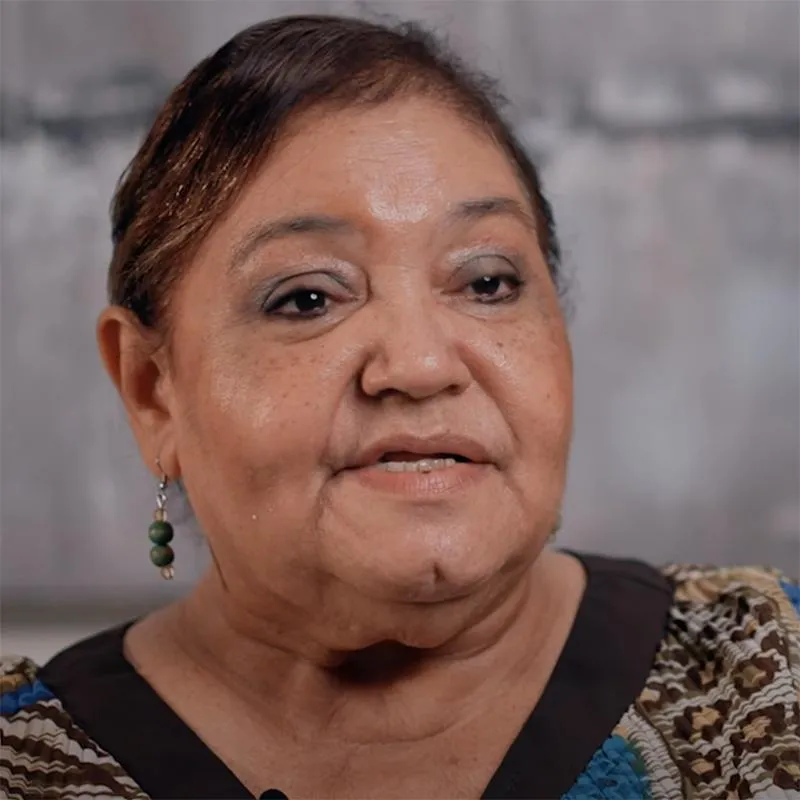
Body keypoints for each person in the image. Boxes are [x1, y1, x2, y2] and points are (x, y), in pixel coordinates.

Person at [1, 15, 798, 800]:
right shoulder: (27, 765)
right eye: (308, 298)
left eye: (487, 282)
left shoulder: (767, 669)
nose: (420, 365)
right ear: (151, 389)